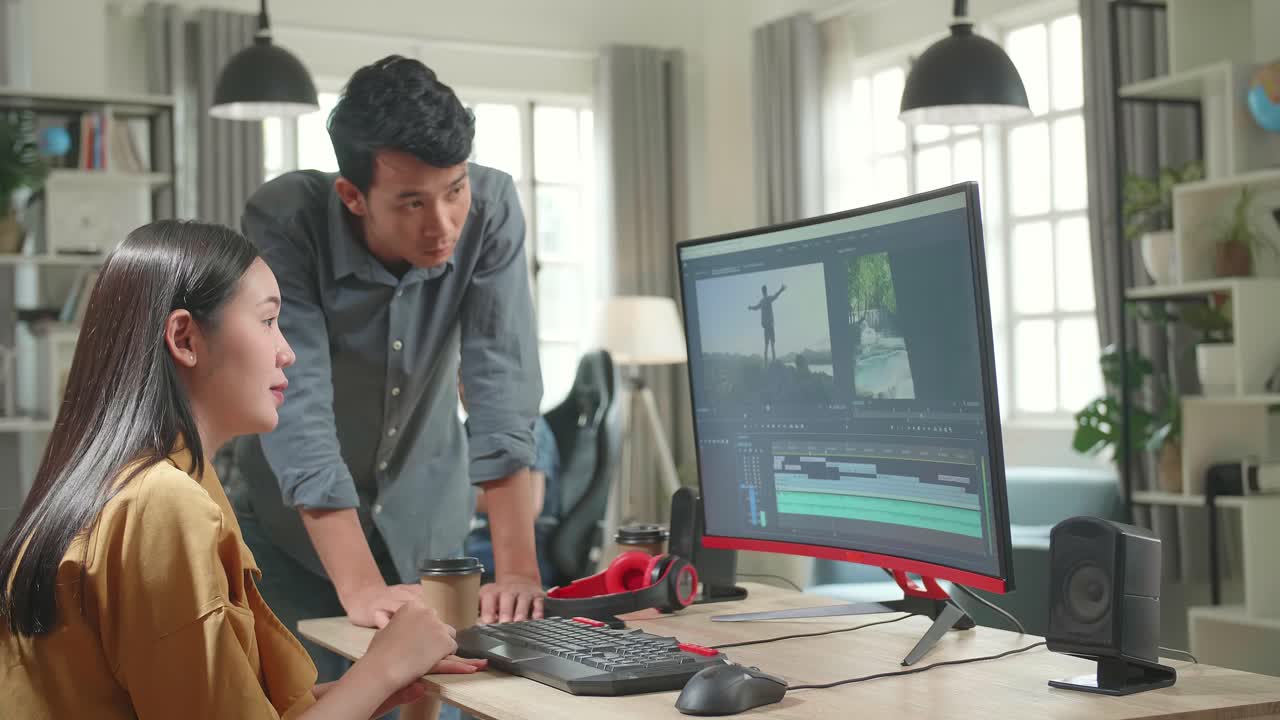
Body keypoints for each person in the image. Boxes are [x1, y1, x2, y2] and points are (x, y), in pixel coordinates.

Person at [0, 220, 486, 719]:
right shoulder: (163, 503)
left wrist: (374, 685)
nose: (287, 352)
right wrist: (382, 666)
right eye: (267, 320)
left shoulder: (141, 482)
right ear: (184, 337)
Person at [228, 54, 544, 688]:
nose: (443, 224)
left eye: (455, 191)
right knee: (302, 700)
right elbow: (296, 401)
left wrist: (517, 571)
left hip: (430, 528)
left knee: (441, 698)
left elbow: (499, 388)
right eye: (411, 203)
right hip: (292, 537)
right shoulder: (288, 219)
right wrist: (361, 586)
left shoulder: (494, 208)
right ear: (353, 195)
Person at [748, 283, 787, 364]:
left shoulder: (762, 301)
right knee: (772, 345)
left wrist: (751, 307)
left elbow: (756, 308)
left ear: (762, 292)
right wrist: (781, 289)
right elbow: (775, 296)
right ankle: (773, 362)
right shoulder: (768, 299)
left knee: (766, 345)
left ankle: (766, 364)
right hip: (769, 325)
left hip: (766, 326)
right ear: (766, 291)